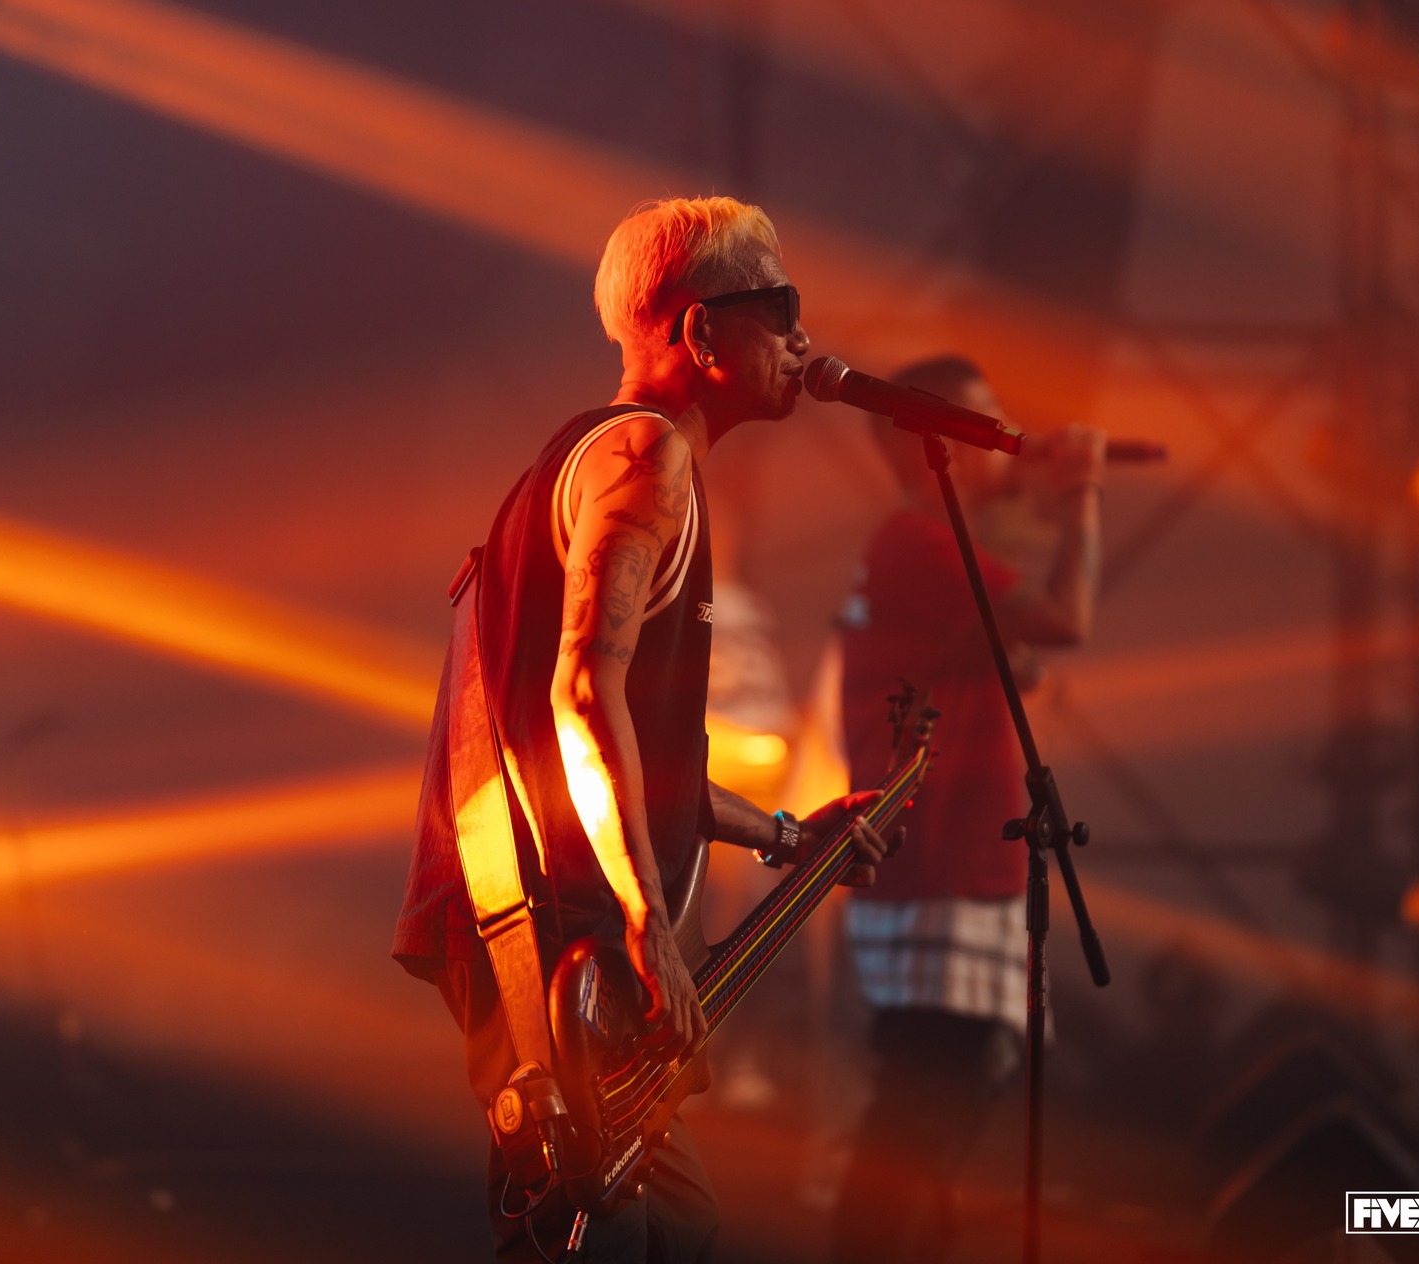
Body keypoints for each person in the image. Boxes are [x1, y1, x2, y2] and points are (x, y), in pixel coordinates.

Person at [392, 196, 891, 1264]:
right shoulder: (643, 457)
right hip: (555, 925)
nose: (802, 334)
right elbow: (581, 694)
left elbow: (632, 758)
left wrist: (785, 836)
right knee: (599, 1231)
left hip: (556, 909)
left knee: (675, 1223)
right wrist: (646, 923)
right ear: (701, 330)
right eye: (779, 304)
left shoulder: (622, 459)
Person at [828, 355, 1104, 1264]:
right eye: (986, 424)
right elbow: (1065, 618)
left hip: (946, 868)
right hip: (939, 870)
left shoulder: (926, 554)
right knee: (926, 1112)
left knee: (937, 1117)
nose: (1005, 439)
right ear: (934, 444)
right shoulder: (916, 544)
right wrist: (1082, 495)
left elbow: (1024, 657)